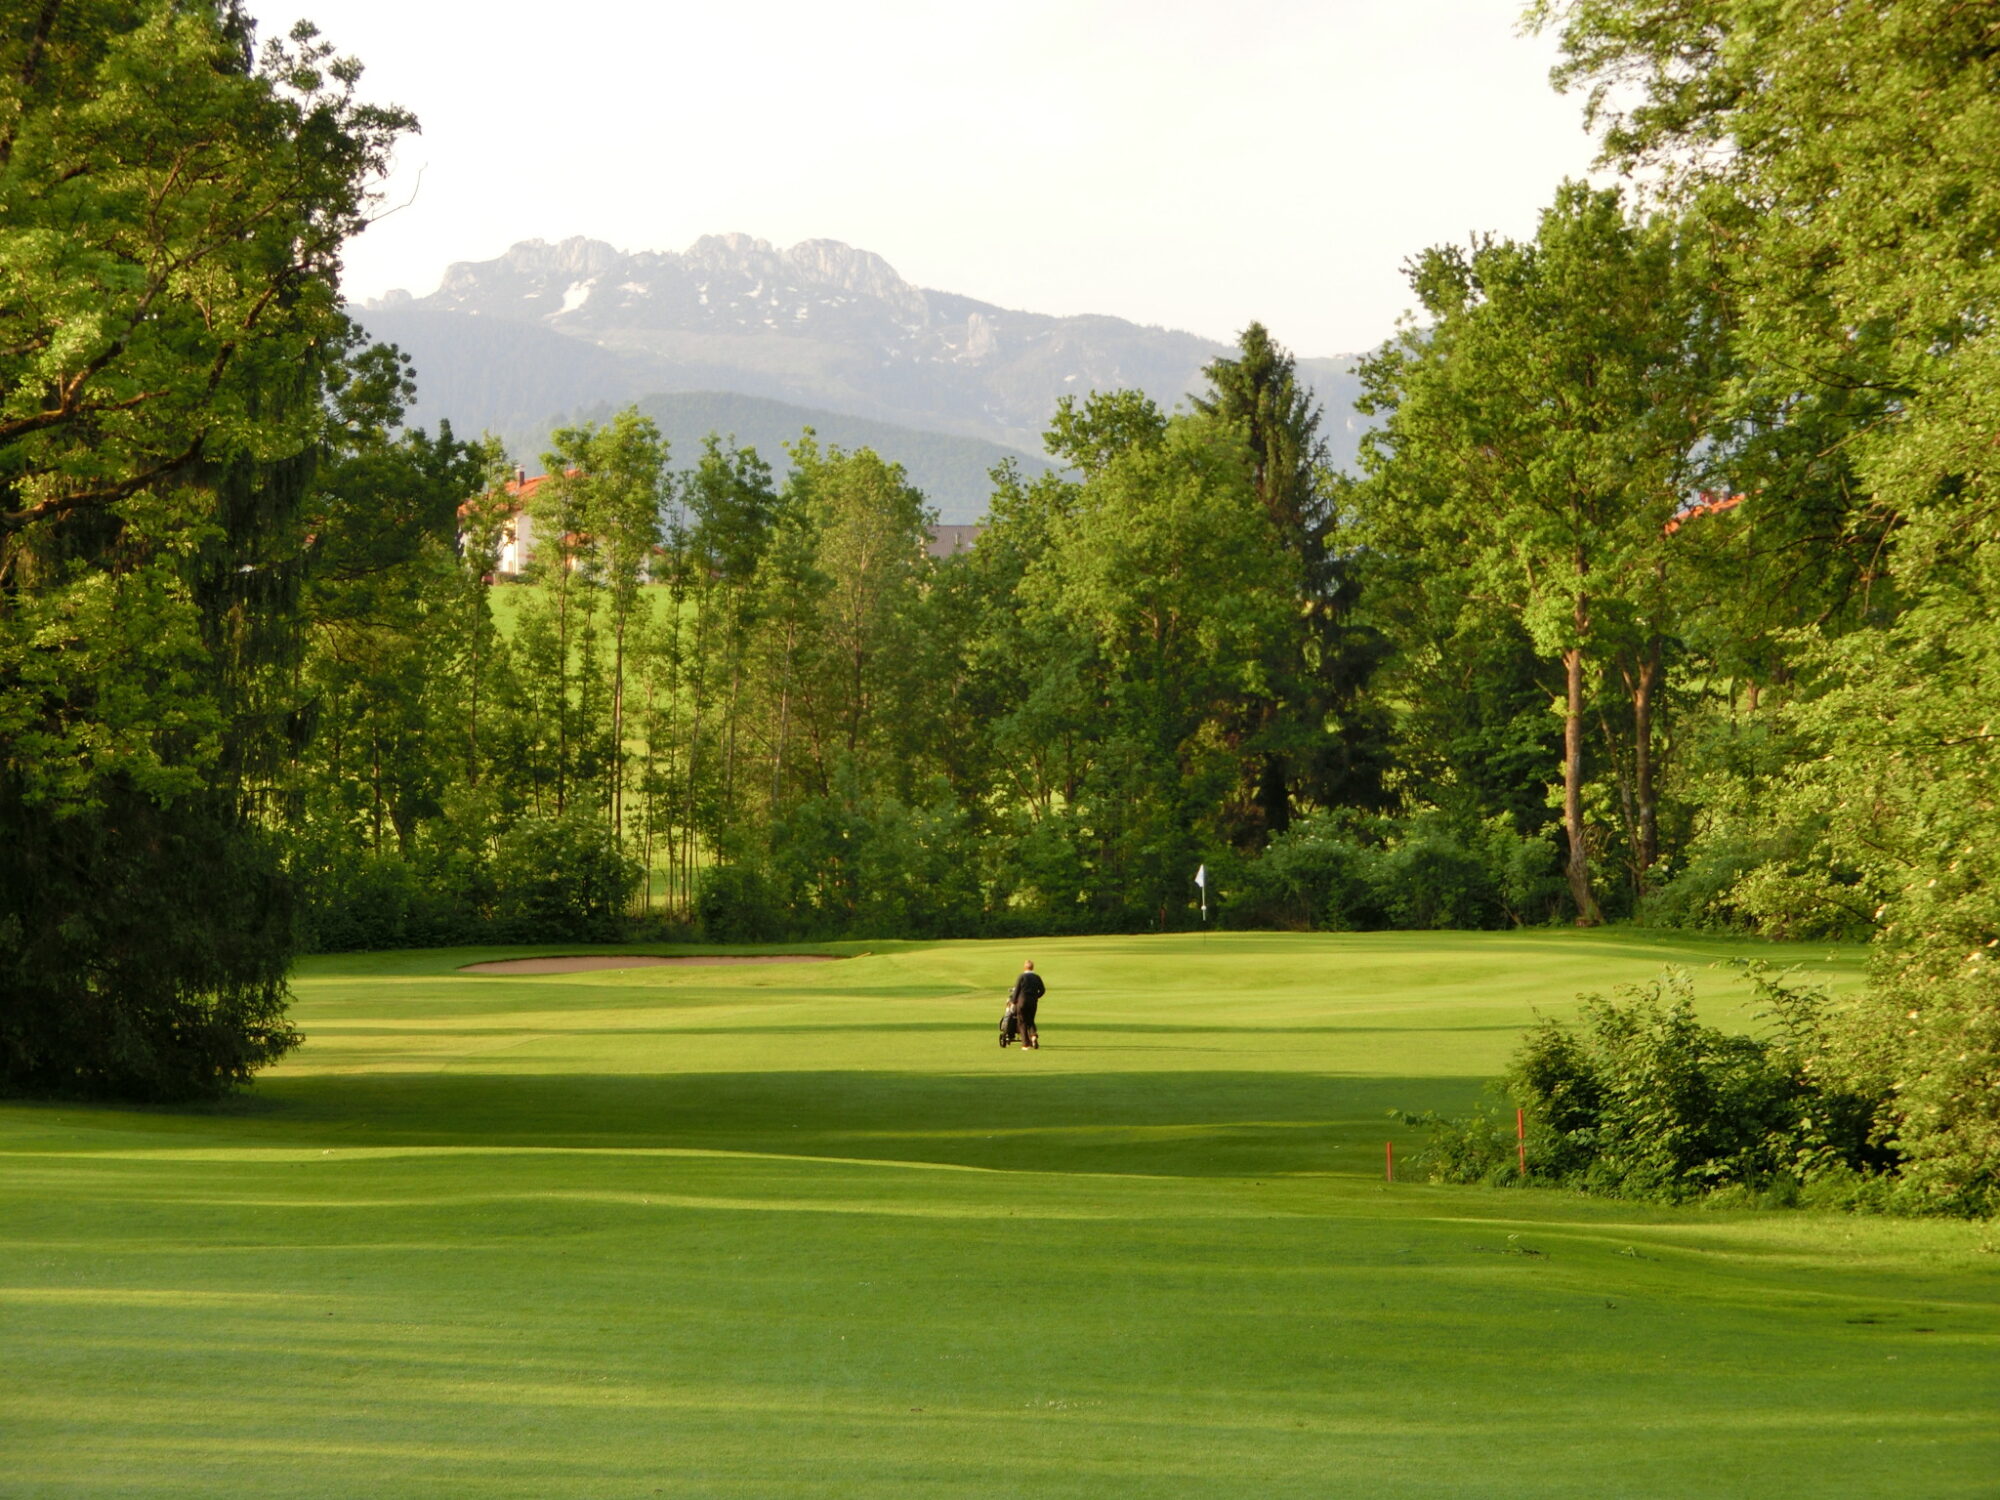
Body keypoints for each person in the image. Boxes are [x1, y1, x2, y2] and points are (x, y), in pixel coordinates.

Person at [1008, 961, 1045, 1050]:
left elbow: (1017, 990)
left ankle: (1025, 1044)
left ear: (1024, 968)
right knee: (1031, 1020)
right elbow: (1042, 990)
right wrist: (1036, 997)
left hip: (1022, 1002)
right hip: (1033, 1002)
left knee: (1022, 1022)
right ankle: (1033, 1036)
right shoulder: (1037, 977)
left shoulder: (1022, 977)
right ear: (1033, 967)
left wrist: (1013, 1002)